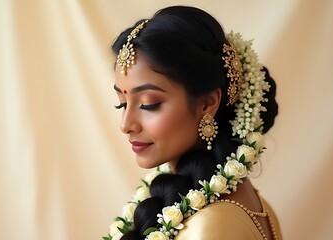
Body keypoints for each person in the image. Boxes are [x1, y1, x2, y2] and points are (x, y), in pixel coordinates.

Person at [104, 6, 281, 240]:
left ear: (208, 104)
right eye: (122, 103)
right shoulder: (237, 202)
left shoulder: (208, 229)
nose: (126, 125)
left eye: (148, 104)